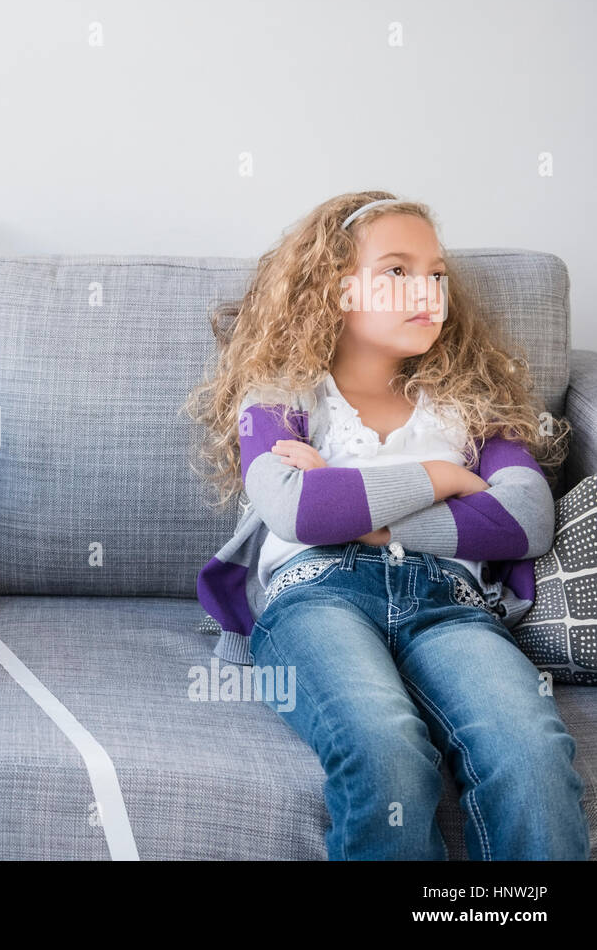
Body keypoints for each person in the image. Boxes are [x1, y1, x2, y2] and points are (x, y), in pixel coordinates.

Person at [184, 191, 589, 859]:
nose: (425, 289)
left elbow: (524, 520)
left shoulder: (470, 406)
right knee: (385, 745)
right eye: (397, 271)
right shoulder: (281, 398)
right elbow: (298, 512)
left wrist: (369, 519)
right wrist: (443, 479)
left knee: (531, 752)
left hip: (452, 606)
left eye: (435, 274)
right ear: (334, 289)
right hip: (318, 594)